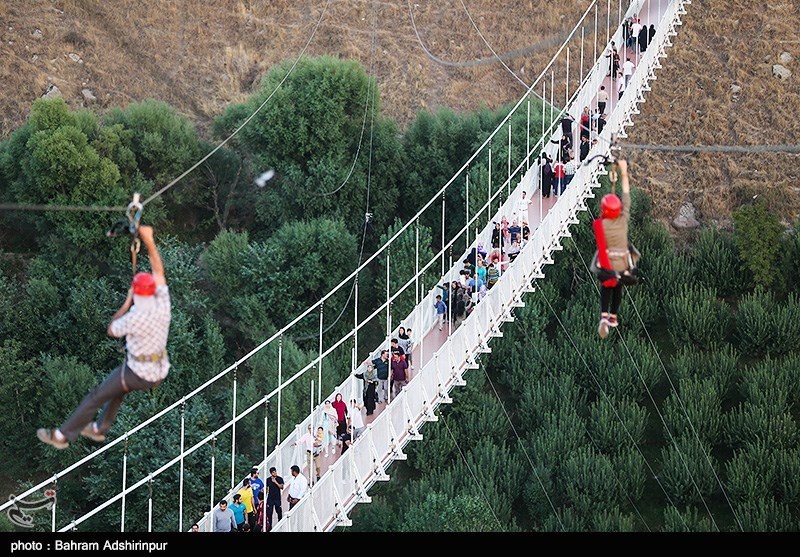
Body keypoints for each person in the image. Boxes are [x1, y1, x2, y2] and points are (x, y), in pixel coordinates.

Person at [37, 225, 171, 449]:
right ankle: (99, 429)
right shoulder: (163, 305)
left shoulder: (134, 317)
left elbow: (111, 329)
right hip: (158, 371)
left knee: (97, 396)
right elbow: (159, 272)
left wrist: (127, 303)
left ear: (136, 294)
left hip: (138, 373)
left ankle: (61, 436)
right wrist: (149, 239)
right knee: (118, 387)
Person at [592, 159, 638, 339]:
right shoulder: (624, 217)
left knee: (607, 283)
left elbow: (599, 220)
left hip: (607, 263)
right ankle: (613, 316)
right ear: (618, 209)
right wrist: (624, 171)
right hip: (622, 263)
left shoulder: (600, 225)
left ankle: (604, 315)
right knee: (617, 285)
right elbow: (626, 195)